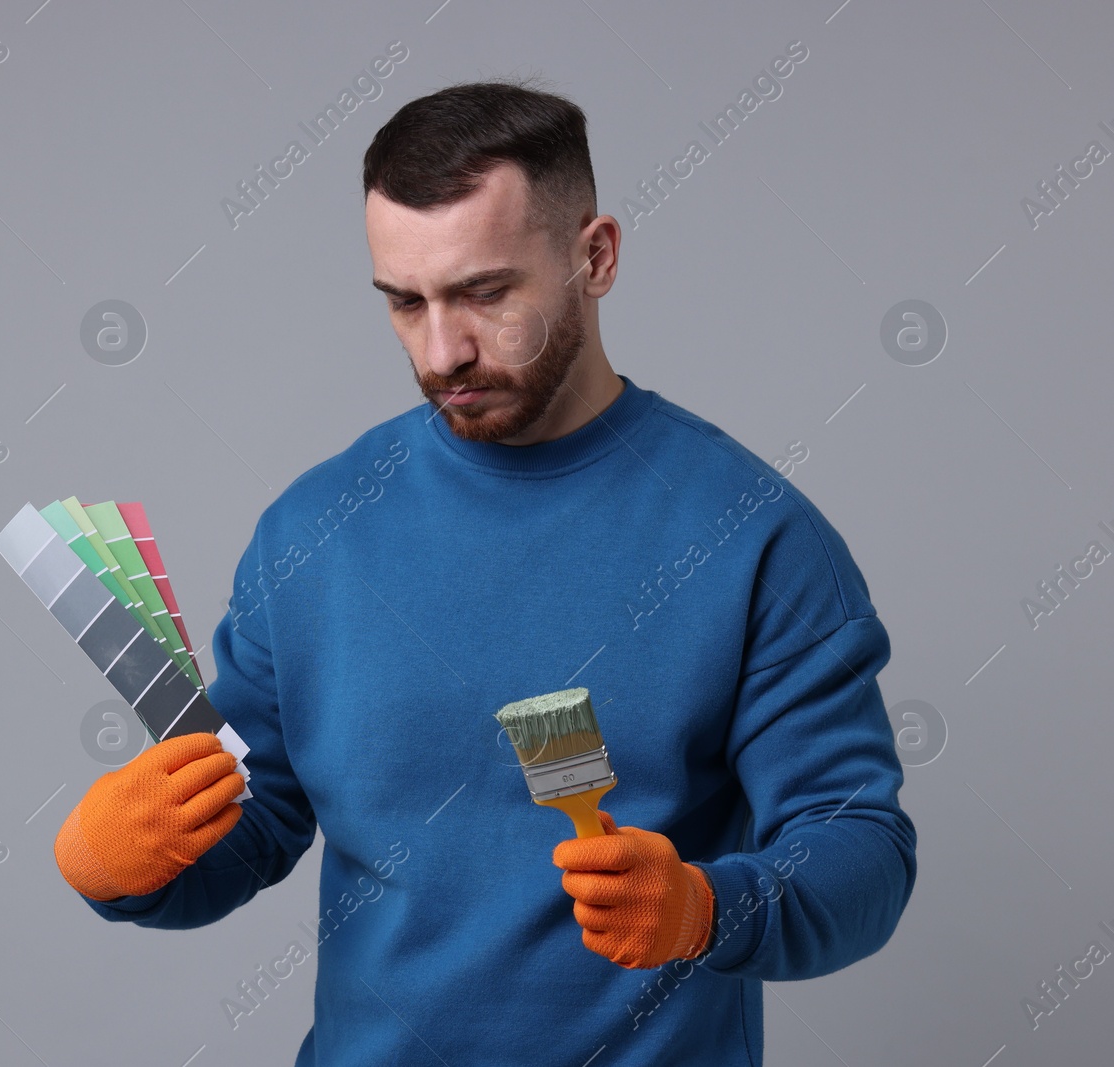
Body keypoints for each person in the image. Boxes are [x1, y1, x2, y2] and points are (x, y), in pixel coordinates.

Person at [53, 79, 916, 1066]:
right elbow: (252, 831)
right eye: (404, 302)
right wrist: (118, 869)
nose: (441, 349)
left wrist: (708, 907)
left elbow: (860, 850)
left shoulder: (752, 536)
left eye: (484, 292)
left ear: (595, 257)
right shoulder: (313, 531)